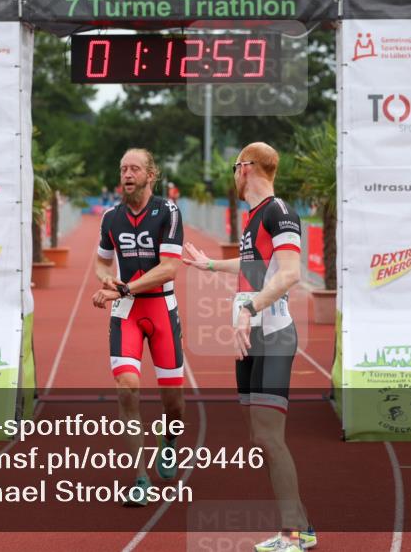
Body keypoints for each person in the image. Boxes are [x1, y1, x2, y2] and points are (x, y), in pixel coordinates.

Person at [183, 142, 315, 552]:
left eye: (236, 166)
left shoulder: (278, 212)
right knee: (260, 436)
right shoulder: (254, 217)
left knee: (271, 439)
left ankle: (295, 532)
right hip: (253, 336)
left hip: (272, 335)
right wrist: (209, 265)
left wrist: (249, 308)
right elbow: (254, 265)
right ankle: (298, 526)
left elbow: (290, 274)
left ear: (247, 168)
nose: (234, 174)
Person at [91, 148, 186, 506]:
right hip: (126, 311)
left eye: (134, 168)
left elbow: (169, 268)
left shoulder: (168, 212)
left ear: (151, 174)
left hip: (161, 308)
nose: (127, 174)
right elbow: (101, 264)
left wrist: (126, 286)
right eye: (123, 169)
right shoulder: (111, 217)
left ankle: (170, 440)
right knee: (127, 389)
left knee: (174, 405)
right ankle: (140, 477)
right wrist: (109, 283)